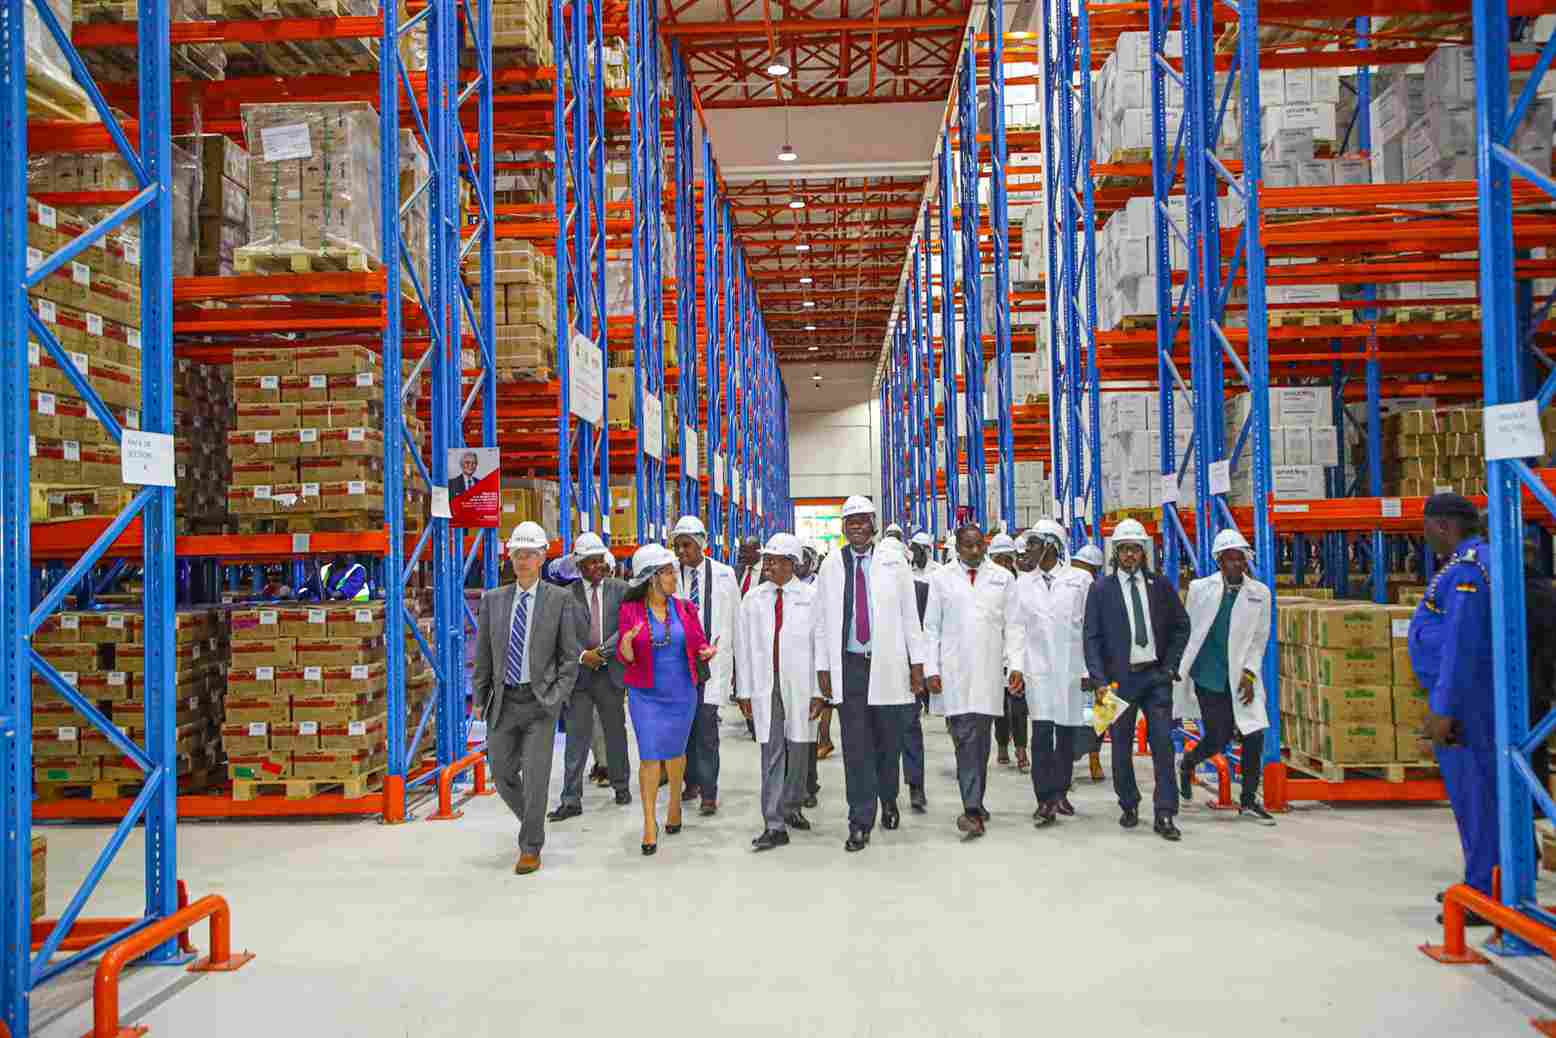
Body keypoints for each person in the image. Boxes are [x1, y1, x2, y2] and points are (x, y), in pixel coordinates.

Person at [814, 495, 926, 852]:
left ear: (874, 524)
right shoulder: (831, 565)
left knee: (888, 743)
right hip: (850, 666)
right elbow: (821, 620)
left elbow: (910, 616)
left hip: (888, 664)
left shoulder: (894, 562)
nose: (858, 527)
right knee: (856, 747)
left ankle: (888, 797)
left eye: (864, 520)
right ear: (844, 528)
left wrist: (918, 665)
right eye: (851, 522)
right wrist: (822, 666)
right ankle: (860, 820)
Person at [472, 522, 580, 875]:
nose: (523, 560)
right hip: (503, 702)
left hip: (539, 703)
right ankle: (533, 821)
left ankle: (530, 846)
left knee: (535, 777)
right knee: (502, 773)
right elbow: (484, 654)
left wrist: (557, 695)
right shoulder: (493, 600)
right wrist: (480, 698)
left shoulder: (559, 600)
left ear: (542, 557)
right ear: (510, 557)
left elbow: (569, 656)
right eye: (518, 553)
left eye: (530, 554)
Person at [1408, 493, 1497, 920]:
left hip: (1468, 703)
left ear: (1443, 526)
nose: (1425, 536)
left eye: (1427, 527)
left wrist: (1445, 706)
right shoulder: (1468, 563)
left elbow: (1462, 642)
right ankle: (1486, 879)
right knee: (1479, 796)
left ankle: (1485, 891)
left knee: (1475, 796)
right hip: (1469, 697)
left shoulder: (1467, 570)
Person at [1082, 518, 1191, 841]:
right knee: (1119, 747)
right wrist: (1099, 681)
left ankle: (1165, 813)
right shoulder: (1100, 589)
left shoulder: (1160, 586)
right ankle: (1128, 804)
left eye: (1135, 549)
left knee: (1163, 745)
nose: (1130, 555)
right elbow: (1091, 638)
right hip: (1116, 682)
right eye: (1124, 549)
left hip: (1156, 677)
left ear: (1144, 552)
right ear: (1115, 553)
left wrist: (1170, 666)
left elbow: (1182, 625)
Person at [617, 543, 719, 855]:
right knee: (649, 756)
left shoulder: (686, 609)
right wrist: (628, 642)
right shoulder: (630, 611)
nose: (675, 576)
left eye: (673, 571)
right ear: (652, 578)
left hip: (681, 693)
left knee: (675, 753)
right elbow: (625, 656)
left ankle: (674, 802)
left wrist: (707, 651)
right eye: (668, 572)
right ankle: (649, 822)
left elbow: (699, 643)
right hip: (645, 695)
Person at [924, 523, 1021, 836]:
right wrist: (931, 669)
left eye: (979, 544)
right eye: (968, 545)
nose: (975, 550)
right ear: (957, 548)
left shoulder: (1003, 579)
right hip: (953, 672)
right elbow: (931, 628)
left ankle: (974, 802)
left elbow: (1014, 626)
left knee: (980, 742)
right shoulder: (941, 579)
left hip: (988, 672)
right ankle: (972, 809)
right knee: (965, 739)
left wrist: (1016, 665)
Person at [1175, 528, 1277, 825]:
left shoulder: (1260, 593)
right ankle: (1188, 762)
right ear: (1219, 561)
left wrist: (1250, 672)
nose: (1236, 564)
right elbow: (1189, 629)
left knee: (1254, 732)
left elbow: (1259, 638)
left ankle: (1248, 800)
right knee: (1219, 737)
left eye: (1240, 558)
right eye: (1230, 558)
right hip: (1208, 672)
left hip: (1242, 674)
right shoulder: (1200, 589)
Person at [737, 534, 823, 851]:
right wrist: (744, 690)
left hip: (801, 682)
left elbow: (821, 646)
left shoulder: (811, 598)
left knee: (800, 747)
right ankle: (773, 823)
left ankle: (792, 806)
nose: (768, 565)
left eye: (774, 560)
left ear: (791, 564)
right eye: (767, 560)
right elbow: (743, 648)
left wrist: (819, 691)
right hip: (765, 683)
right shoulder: (753, 600)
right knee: (771, 750)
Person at [1012, 520, 1094, 827]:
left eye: (1034, 543)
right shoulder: (1023, 584)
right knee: (1042, 734)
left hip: (1071, 668)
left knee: (1067, 734)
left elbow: (1088, 628)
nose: (1028, 549)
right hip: (1037, 671)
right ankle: (1044, 799)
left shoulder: (1080, 580)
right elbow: (1017, 628)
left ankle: (1060, 792)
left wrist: (1088, 668)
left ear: (1052, 546)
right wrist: (1016, 666)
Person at [547, 532, 631, 822]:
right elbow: (562, 635)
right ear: (579, 565)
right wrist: (584, 656)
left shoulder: (620, 590)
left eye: (600, 560)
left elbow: (627, 626)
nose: (598, 566)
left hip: (610, 674)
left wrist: (602, 653)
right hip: (579, 677)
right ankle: (571, 799)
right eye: (591, 562)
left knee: (615, 732)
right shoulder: (565, 596)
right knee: (576, 737)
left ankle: (621, 787)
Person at [672, 515, 738, 816]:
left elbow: (735, 621)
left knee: (707, 729)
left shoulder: (724, 574)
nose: (681, 551)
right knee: (685, 728)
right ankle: (692, 782)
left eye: (686, 545)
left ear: (701, 544)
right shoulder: (669, 574)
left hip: (712, 664)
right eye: (677, 546)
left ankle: (709, 793)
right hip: (680, 665)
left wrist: (737, 670)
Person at [1070, 542, 1107, 782]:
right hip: (1083, 663)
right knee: (1098, 712)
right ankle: (1090, 758)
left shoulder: (1095, 590)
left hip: (1091, 663)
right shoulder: (1087, 586)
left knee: (1102, 710)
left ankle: (1092, 758)